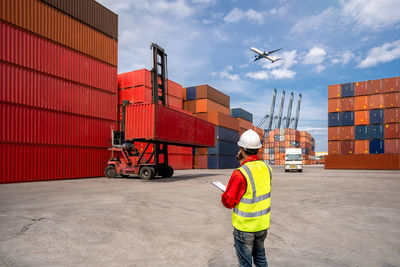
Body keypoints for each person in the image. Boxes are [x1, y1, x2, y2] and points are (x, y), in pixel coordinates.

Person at [222, 129, 272, 267]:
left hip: (245, 227)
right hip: (262, 225)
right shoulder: (267, 169)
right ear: (258, 149)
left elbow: (228, 201)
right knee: (261, 258)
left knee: (245, 263)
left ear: (242, 149)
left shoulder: (240, 173)